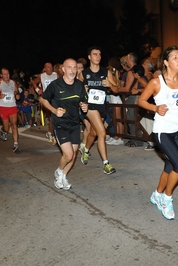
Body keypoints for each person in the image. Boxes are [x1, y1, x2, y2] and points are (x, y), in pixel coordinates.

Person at [138, 45, 178, 220]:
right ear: (166, 62)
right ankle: (167, 198)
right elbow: (141, 101)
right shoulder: (157, 82)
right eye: (175, 58)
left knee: (170, 166)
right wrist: (155, 108)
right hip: (162, 131)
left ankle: (157, 193)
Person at [39, 58, 88, 190]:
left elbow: (83, 101)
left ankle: (63, 176)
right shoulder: (56, 85)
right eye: (70, 67)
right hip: (60, 123)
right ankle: (59, 171)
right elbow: (42, 99)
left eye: (75, 68)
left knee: (74, 154)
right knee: (68, 155)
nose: (73, 70)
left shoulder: (79, 85)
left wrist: (84, 106)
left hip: (74, 124)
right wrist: (54, 110)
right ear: (63, 69)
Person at [78, 46, 117, 174]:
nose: (98, 57)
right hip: (89, 107)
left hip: (101, 106)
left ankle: (86, 150)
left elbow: (116, 89)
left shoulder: (106, 72)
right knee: (102, 132)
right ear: (89, 57)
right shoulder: (83, 74)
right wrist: (83, 90)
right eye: (95, 54)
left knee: (94, 133)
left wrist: (109, 85)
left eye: (99, 54)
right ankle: (106, 164)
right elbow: (76, 91)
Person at [0, 67, 21, 152]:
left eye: (8, 74)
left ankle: (16, 144)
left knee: (14, 125)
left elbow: (16, 91)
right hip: (3, 107)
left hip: (12, 106)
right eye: (4, 74)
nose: (6, 76)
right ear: (1, 75)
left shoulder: (13, 82)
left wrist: (17, 95)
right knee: (7, 128)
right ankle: (4, 131)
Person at [32, 62, 58, 144]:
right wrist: (37, 90)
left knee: (53, 117)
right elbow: (34, 83)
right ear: (45, 69)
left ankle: (50, 132)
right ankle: (52, 134)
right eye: (47, 67)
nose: (49, 69)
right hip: (46, 98)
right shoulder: (41, 76)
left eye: (50, 67)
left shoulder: (56, 75)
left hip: (55, 98)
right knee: (51, 116)